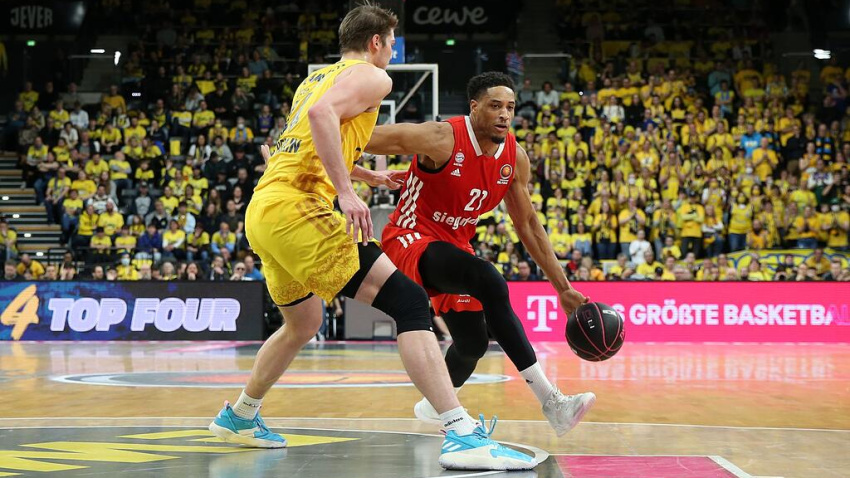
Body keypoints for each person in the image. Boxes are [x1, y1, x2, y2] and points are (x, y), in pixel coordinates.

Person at [211, 6, 533, 471]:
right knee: (409, 302)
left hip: (265, 209)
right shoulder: (373, 77)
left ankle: (240, 415)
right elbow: (323, 118)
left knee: (302, 323)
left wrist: (365, 176)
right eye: (393, 41)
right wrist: (346, 192)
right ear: (378, 42)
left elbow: (305, 136)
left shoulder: (315, 79)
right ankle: (461, 433)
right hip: (300, 207)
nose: (394, 51)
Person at [363, 71, 594, 437]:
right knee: (488, 278)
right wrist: (338, 134)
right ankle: (552, 402)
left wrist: (562, 286)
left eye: (510, 107)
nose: (505, 114)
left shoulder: (513, 157)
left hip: (454, 246)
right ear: (474, 107)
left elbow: (529, 225)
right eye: (495, 105)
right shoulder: (441, 137)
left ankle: (433, 407)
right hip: (409, 238)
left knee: (471, 344)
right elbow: (366, 138)